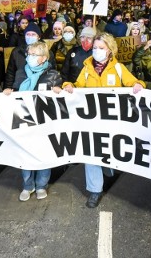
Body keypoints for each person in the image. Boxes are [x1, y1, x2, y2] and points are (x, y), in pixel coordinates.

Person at [61, 33, 145, 208]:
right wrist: (69, 86)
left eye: (101, 48)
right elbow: (77, 86)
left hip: (112, 122)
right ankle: (95, 190)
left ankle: (108, 167)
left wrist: (139, 85)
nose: (97, 51)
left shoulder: (119, 68)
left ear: (110, 50)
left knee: (109, 151)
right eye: (95, 48)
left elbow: (133, 82)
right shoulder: (86, 68)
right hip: (91, 121)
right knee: (91, 153)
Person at [4, 41, 63, 201]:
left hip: (44, 124)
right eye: (29, 54)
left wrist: (60, 92)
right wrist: (10, 92)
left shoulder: (53, 76)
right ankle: (28, 185)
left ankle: (41, 185)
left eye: (34, 55)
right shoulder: (21, 73)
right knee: (25, 154)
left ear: (44, 58)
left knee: (44, 153)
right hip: (24, 122)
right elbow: (16, 93)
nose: (29, 57)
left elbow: (59, 104)